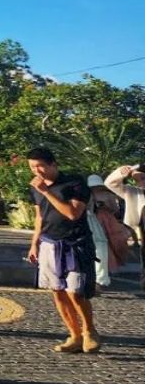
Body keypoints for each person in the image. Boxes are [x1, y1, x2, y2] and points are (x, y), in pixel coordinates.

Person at [25, 147, 99, 354]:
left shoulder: (74, 183)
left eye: (40, 166)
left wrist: (46, 192)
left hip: (75, 243)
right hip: (49, 243)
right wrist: (34, 243)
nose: (37, 171)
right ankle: (74, 335)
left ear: (53, 164)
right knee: (57, 291)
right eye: (32, 167)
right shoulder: (35, 188)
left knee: (75, 292)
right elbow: (39, 216)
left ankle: (89, 331)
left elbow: (73, 213)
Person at [104, 163, 145, 289]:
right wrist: (121, 172)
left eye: (142, 178)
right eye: (136, 180)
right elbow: (110, 183)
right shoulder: (134, 193)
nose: (140, 183)